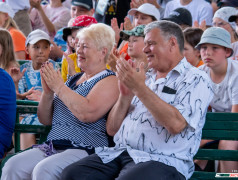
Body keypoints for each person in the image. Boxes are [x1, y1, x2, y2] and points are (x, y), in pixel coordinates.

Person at [61, 20, 214, 180]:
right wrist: (125, 97)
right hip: (120, 154)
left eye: (151, 43)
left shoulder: (196, 79)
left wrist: (139, 88)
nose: (145, 49)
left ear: (172, 43)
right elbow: (112, 130)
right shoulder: (144, 76)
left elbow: (176, 125)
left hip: (163, 161)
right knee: (71, 174)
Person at [1, 23, 119, 180]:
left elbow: (87, 113)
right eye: (78, 46)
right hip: (54, 145)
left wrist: (58, 87)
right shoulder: (74, 79)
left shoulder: (110, 79)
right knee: (12, 166)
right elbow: (45, 119)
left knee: (44, 170)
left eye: (85, 46)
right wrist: (48, 93)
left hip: (86, 147)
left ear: (102, 52)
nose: (79, 51)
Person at [196, 27, 238, 173]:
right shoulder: (200, 74)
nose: (207, 52)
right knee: (195, 156)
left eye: (215, 48)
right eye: (204, 47)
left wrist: (204, 140)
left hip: (233, 126)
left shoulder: (236, 74)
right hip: (218, 126)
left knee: (227, 147)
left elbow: (234, 121)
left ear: (227, 52)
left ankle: (229, 178)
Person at [12, 29, 60, 150]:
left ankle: (24, 157)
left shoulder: (56, 68)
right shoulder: (22, 69)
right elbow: (18, 97)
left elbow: (61, 94)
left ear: (50, 49)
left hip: (49, 114)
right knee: (13, 119)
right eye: (36, 47)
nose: (41, 51)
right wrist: (16, 83)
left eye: (45, 47)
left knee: (24, 123)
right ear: (27, 49)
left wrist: (43, 98)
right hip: (24, 112)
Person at [61, 15, 97, 82]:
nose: (75, 41)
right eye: (73, 38)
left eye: (80, 38)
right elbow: (63, 90)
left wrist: (73, 77)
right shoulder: (68, 60)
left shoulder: (102, 62)